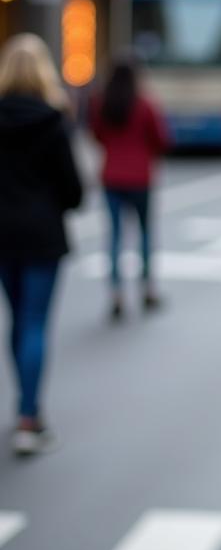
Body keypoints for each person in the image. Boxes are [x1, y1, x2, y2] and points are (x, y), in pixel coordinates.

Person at [0, 34, 83, 456]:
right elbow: (73, 190)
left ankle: (24, 407)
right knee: (34, 322)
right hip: (42, 234)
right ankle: (29, 416)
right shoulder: (54, 121)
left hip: (3, 234)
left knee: (16, 320)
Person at [88, 58, 170, 319]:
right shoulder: (145, 103)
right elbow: (161, 138)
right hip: (140, 178)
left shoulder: (102, 102)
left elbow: (96, 134)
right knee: (144, 233)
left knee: (114, 236)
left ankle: (116, 293)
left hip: (111, 176)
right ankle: (147, 289)